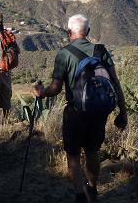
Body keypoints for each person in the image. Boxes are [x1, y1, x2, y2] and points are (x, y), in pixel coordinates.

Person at [33, 14, 128, 202]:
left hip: (75, 114)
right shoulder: (101, 51)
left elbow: (56, 88)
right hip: (99, 113)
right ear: (89, 32)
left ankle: (80, 195)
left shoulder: (64, 54)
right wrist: (123, 113)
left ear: (69, 32)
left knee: (73, 156)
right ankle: (92, 189)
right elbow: (116, 83)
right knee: (93, 152)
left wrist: (41, 93)